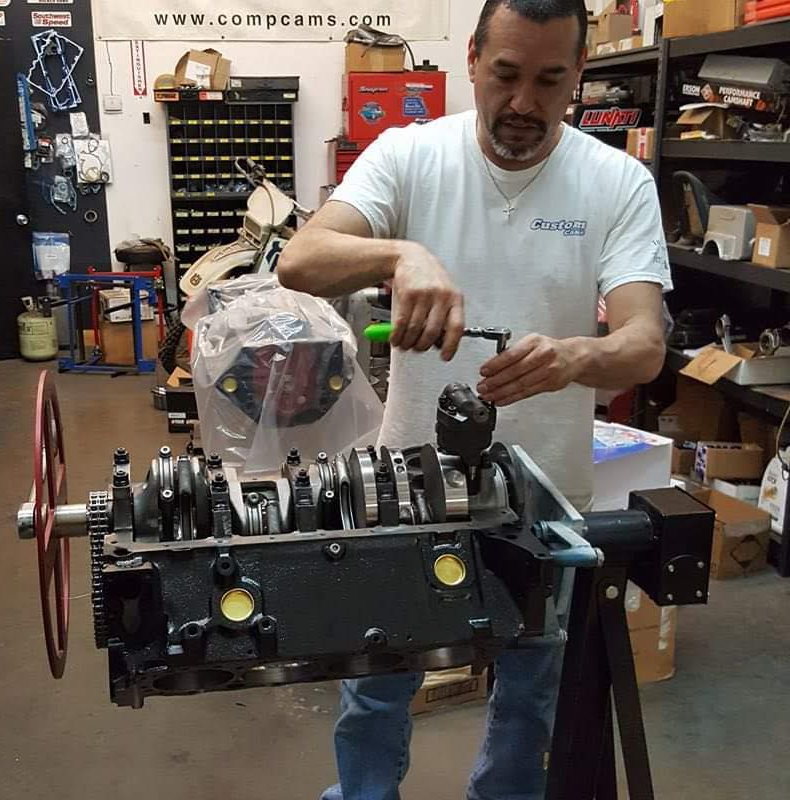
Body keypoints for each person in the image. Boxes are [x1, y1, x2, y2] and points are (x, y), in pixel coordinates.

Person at [277, 1, 671, 797]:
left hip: (546, 500)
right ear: (471, 60)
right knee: (376, 687)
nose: (524, 102)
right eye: (506, 75)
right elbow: (301, 259)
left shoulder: (617, 181)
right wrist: (400, 254)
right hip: (405, 494)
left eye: (550, 80)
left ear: (579, 79)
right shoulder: (410, 155)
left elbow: (645, 344)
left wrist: (573, 357)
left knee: (529, 700)